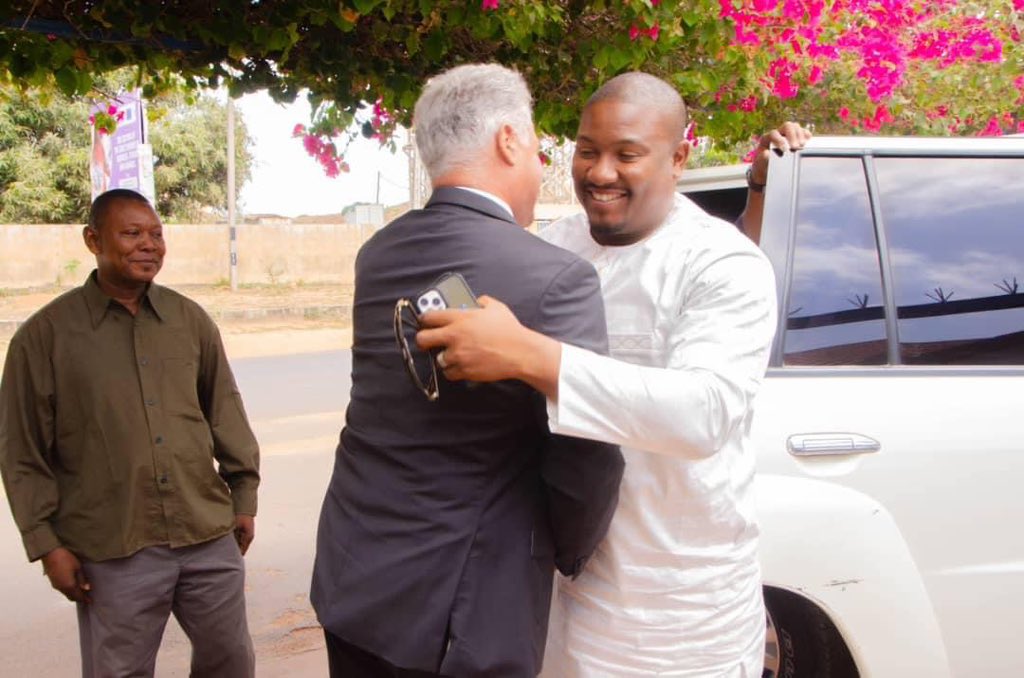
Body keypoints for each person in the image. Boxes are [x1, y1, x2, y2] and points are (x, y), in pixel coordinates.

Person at [417, 74, 805, 676]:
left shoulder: (724, 264)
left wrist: (530, 354)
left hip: (677, 608)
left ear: (677, 158)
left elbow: (703, 413)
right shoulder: (553, 245)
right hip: (561, 589)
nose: (600, 173)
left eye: (627, 155)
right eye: (587, 150)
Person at [310, 63, 624, 678]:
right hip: (460, 606)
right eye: (538, 147)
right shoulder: (555, 276)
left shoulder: (379, 253)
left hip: (354, 574)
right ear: (509, 140)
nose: (540, 165)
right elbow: (585, 452)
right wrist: (573, 550)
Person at [0, 188, 260, 678]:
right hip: (112, 547)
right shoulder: (44, 338)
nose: (149, 245)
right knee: (119, 671)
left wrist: (243, 495)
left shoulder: (190, 321)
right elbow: (22, 452)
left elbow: (225, 411)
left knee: (231, 662)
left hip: (205, 532)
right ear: (93, 240)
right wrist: (46, 544)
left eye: (157, 234)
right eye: (132, 233)